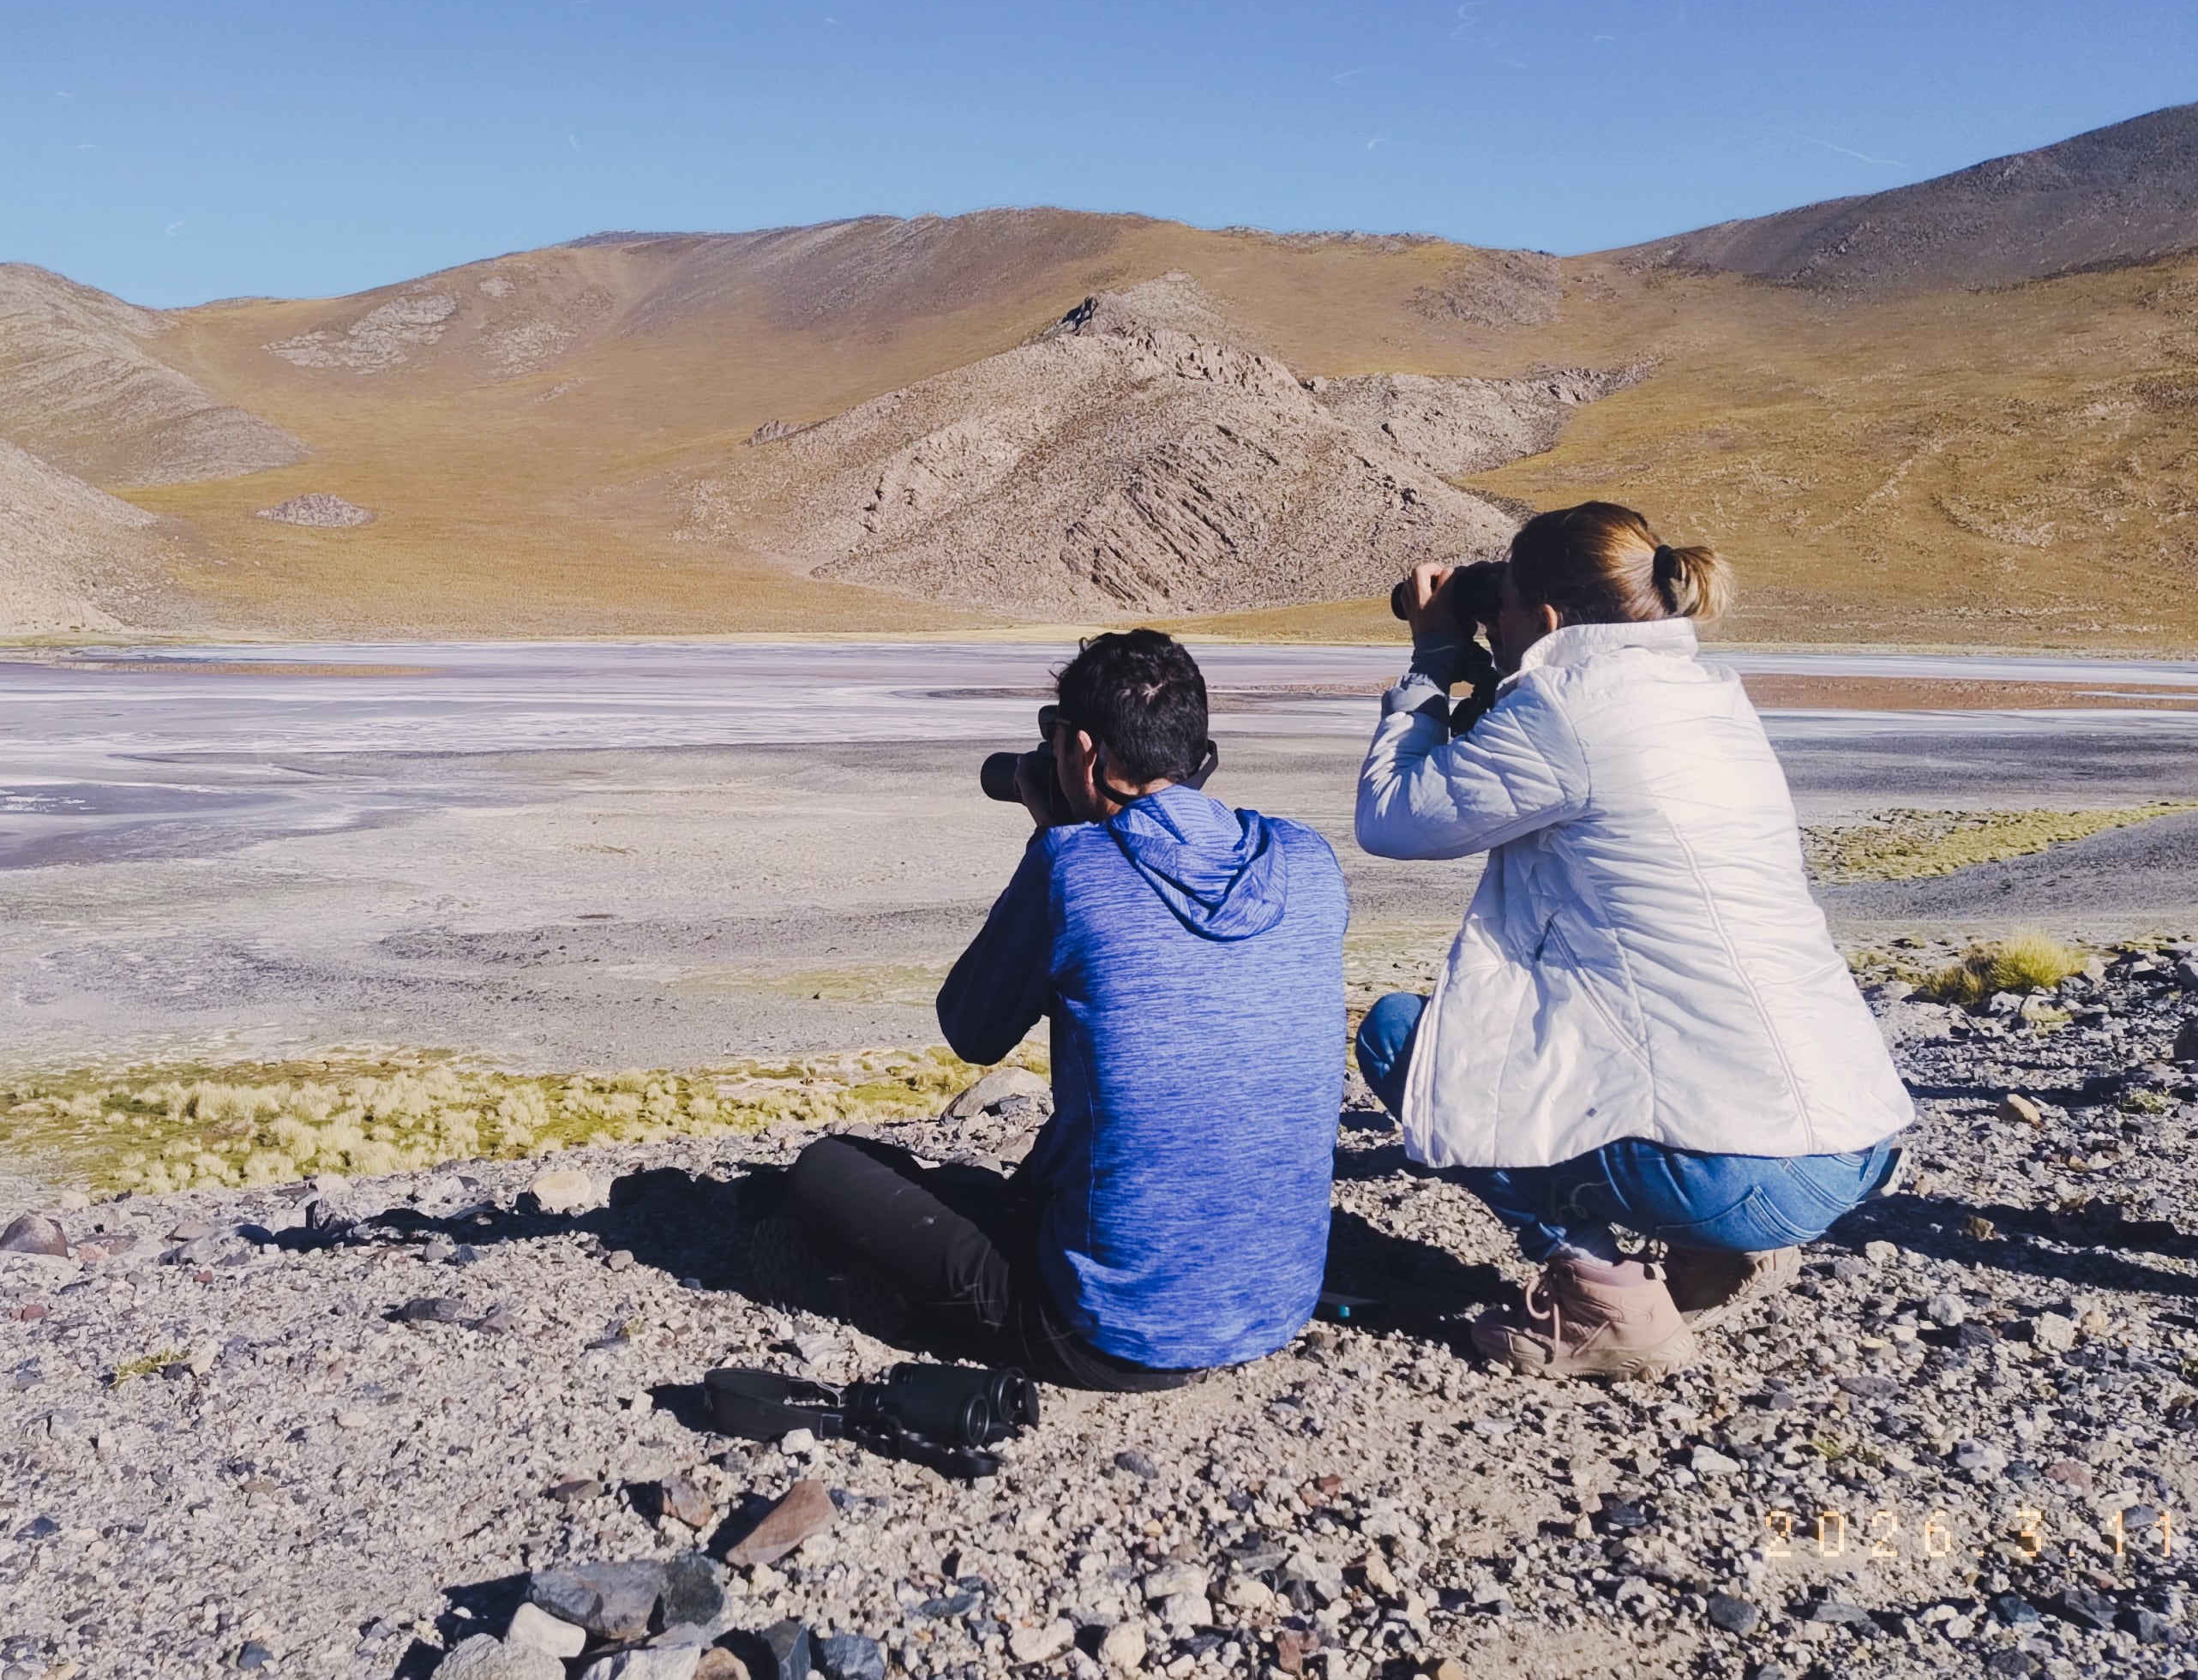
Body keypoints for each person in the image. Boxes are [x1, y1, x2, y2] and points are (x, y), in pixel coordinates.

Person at [1355, 502, 1914, 1380]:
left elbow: (1394, 819)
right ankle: (1717, 1254)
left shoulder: (1569, 715)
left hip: (1743, 1169)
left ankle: (1608, 1300)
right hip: (1850, 1143)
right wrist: (1492, 668)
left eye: (1499, 602)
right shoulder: (1708, 699)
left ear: (1544, 619)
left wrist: (1430, 665)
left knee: (1401, 1037)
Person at [771, 628, 1352, 1390]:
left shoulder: (1072, 866)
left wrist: (1054, 838)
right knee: (997, 1189)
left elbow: (971, 1030)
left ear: (1081, 750)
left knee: (826, 1170)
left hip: (1102, 1329)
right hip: (1277, 1303)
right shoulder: (1305, 856)